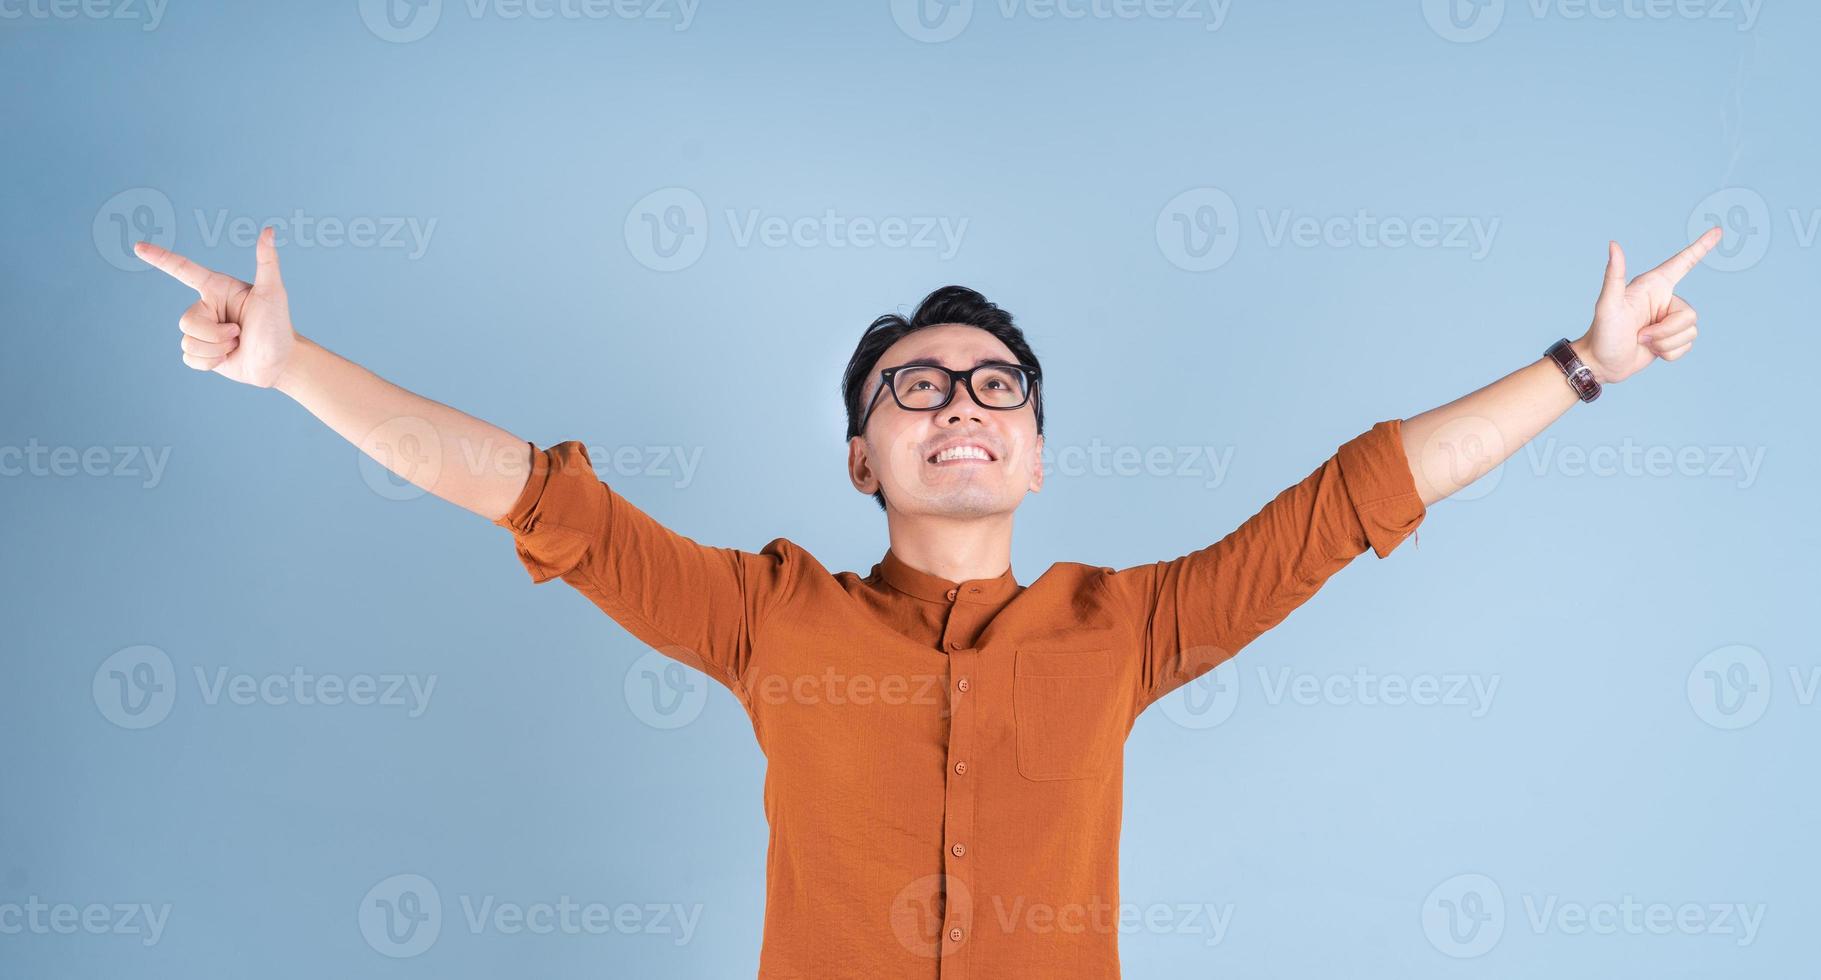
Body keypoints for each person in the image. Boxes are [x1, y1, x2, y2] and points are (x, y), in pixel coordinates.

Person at [135, 225, 1718, 977]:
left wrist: (1587, 365)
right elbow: (537, 500)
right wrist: (287, 370)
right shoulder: (768, 620)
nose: (958, 399)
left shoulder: (1129, 625)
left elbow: (1357, 496)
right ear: (858, 454)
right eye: (915, 384)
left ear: (1032, 449)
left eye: (994, 385)